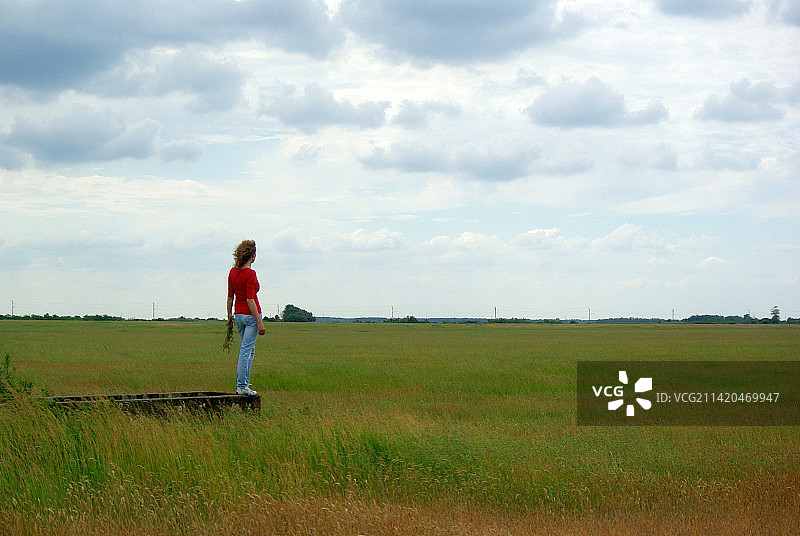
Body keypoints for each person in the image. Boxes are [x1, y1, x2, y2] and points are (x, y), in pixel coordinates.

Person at [227, 240, 266, 395]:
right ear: (252, 255)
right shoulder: (250, 273)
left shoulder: (233, 272)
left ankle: (244, 383)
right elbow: (250, 299)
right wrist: (259, 322)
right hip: (250, 316)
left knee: (249, 350)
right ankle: (242, 386)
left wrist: (229, 317)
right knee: (246, 350)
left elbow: (230, 297)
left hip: (238, 315)